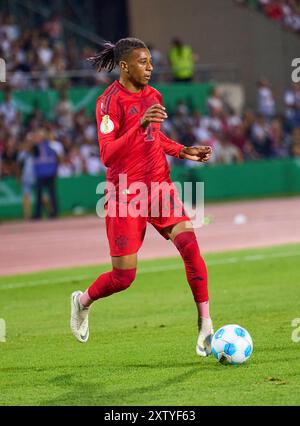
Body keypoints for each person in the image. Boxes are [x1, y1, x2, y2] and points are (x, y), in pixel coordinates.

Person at [70, 38, 213, 357]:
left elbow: (153, 136)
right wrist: (139, 125)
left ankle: (205, 323)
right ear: (124, 66)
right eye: (143, 62)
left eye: (150, 61)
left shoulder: (153, 96)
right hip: (125, 195)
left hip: (160, 188)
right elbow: (107, 154)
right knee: (124, 277)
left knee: (190, 246)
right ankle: (82, 302)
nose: (150, 68)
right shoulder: (107, 102)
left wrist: (182, 150)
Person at [32, 128, 59, 219]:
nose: (37, 138)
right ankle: (40, 213)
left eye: (38, 136)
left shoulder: (47, 146)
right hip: (42, 174)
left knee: (50, 194)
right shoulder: (37, 147)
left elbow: (56, 158)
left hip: (47, 173)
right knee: (41, 195)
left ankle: (52, 213)